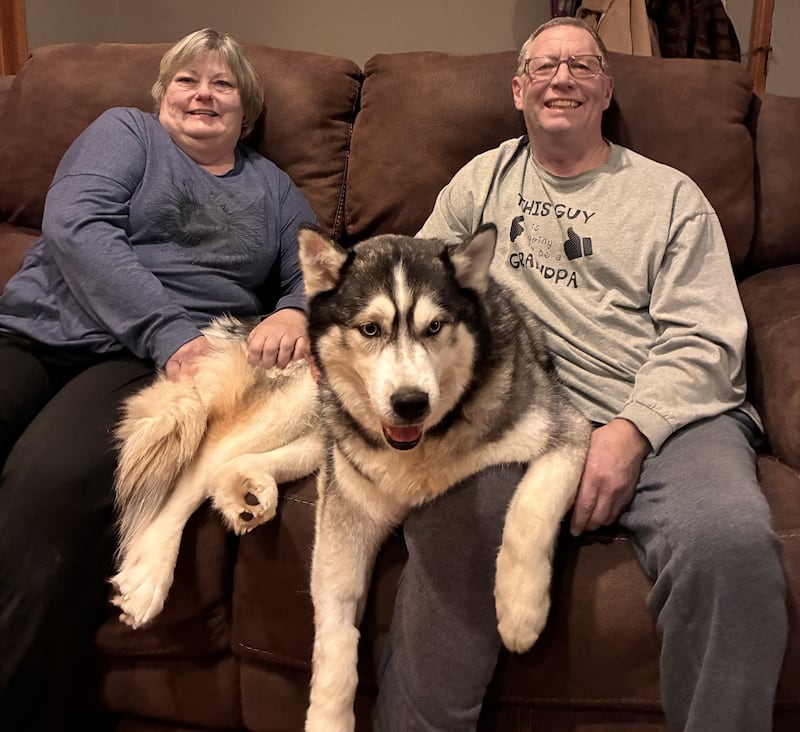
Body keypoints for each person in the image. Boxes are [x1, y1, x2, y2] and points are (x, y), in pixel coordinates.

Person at [372, 17, 787, 732]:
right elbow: (415, 283)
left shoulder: (670, 197)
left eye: (582, 66)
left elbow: (706, 336)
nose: (561, 78)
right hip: (516, 414)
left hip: (664, 416)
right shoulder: (482, 181)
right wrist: (300, 307)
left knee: (730, 542)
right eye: (544, 67)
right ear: (518, 89)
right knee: (452, 525)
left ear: (606, 88)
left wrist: (630, 432)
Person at [0, 28, 315, 731]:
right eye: (187, 80)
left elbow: (314, 269)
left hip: (140, 366)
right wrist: (170, 330)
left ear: (248, 111)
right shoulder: (127, 133)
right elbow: (77, 225)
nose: (203, 94)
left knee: (46, 486)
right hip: (36, 331)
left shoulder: (272, 187)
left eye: (223, 85)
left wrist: (294, 310)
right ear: (161, 94)